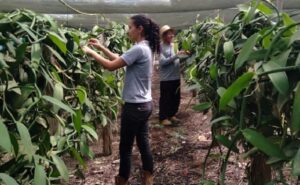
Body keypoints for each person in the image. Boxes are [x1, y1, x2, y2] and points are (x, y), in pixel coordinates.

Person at [82, 15, 160, 185]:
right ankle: (149, 178)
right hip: (145, 105)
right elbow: (120, 58)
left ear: (140, 29)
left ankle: (122, 181)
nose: (128, 30)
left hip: (134, 107)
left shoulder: (139, 49)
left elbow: (111, 66)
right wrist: (101, 48)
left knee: (125, 148)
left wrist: (91, 52)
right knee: (143, 143)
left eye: (130, 27)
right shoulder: (146, 47)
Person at [159, 25, 189, 126]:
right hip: (166, 78)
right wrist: (176, 55)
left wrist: (184, 55)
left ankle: (172, 115)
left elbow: (177, 59)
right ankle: (163, 117)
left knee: (175, 98)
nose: (172, 35)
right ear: (164, 36)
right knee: (165, 98)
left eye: (172, 33)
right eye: (169, 34)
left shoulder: (174, 46)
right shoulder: (160, 47)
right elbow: (162, 62)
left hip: (176, 76)